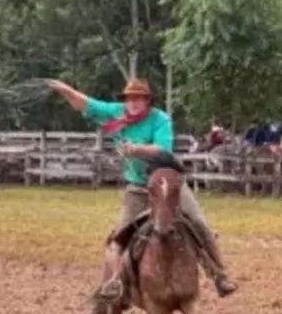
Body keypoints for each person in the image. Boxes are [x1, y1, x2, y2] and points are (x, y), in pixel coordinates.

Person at [47, 77, 238, 301]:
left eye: (139, 98)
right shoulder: (116, 112)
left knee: (198, 222)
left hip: (165, 181)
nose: (134, 102)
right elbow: (85, 102)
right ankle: (112, 283)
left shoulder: (160, 119)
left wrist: (136, 149)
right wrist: (63, 89)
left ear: (148, 101)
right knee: (121, 235)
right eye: (130, 98)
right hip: (138, 185)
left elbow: (162, 149)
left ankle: (219, 274)